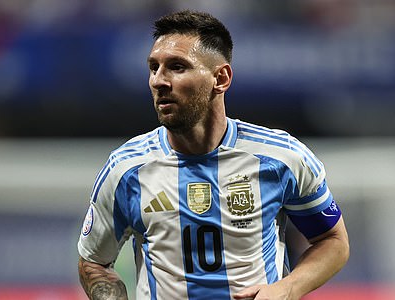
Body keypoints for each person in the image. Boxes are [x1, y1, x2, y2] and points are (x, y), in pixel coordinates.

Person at [77, 10, 349, 300]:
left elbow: (333, 241)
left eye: (177, 67)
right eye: (154, 67)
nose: (158, 80)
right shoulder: (126, 169)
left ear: (221, 78)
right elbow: (93, 262)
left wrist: (286, 288)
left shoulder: (282, 158)